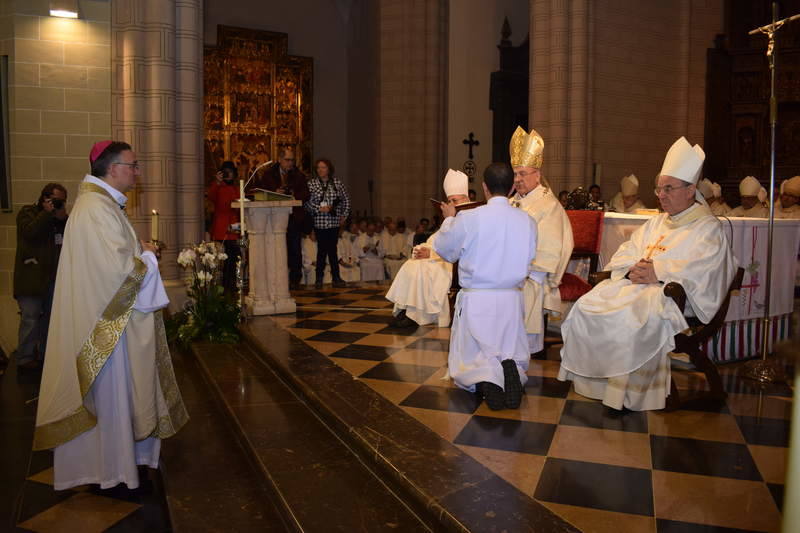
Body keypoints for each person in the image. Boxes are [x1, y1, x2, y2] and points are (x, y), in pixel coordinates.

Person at [33, 141, 188, 490]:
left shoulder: (100, 205)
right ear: (112, 167)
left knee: (119, 399)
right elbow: (117, 273)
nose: (138, 172)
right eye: (133, 165)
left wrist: (140, 252)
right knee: (111, 398)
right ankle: (110, 469)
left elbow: (112, 259)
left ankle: (124, 463)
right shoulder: (95, 209)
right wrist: (146, 257)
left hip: (110, 323)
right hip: (105, 333)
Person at [558, 137, 737, 411]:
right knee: (587, 306)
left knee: (631, 318)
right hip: (638, 286)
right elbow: (627, 251)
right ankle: (596, 384)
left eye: (669, 188)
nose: (661, 195)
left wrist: (659, 271)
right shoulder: (656, 222)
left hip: (674, 297)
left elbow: (706, 270)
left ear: (690, 190)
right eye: (659, 188)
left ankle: (628, 394)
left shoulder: (707, 228)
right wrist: (632, 269)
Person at [434, 163, 537, 410]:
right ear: (512, 186)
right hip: (511, 298)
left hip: (477, 298)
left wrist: (449, 220)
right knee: (508, 348)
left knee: (474, 358)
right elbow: (530, 257)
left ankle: (485, 381)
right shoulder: (528, 221)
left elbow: (446, 251)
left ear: (484, 188)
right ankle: (509, 369)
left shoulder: (469, 218)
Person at [509, 126, 574, 354]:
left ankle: (520, 351)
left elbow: (551, 247)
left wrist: (526, 270)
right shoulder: (510, 203)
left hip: (534, 274)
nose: (517, 179)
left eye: (522, 174)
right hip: (507, 270)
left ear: (537, 174)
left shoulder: (549, 206)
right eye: (515, 174)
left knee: (521, 288)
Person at [385, 170, 470, 328]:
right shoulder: (453, 217)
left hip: (454, 264)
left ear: (466, 199)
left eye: (455, 200)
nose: (451, 204)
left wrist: (430, 253)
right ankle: (406, 310)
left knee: (423, 269)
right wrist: (422, 249)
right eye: (449, 200)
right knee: (412, 264)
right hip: (440, 259)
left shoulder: (471, 215)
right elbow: (437, 239)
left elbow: (458, 248)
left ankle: (415, 316)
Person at [13, 183, 69, 370]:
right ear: (44, 198)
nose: (59, 204)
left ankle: (47, 356)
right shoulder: (27, 212)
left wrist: (63, 220)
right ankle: (25, 358)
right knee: (30, 318)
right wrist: (46, 213)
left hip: (52, 279)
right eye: (56, 201)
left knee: (50, 321)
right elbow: (30, 233)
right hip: (30, 278)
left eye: (62, 201)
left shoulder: (57, 219)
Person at [251, 147, 309, 289]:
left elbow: (306, 194)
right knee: (276, 249)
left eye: (292, 160)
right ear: (280, 159)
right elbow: (259, 191)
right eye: (287, 160)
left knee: (295, 249)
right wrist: (274, 192)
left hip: (293, 217)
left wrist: (294, 195)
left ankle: (295, 279)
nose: (290, 163)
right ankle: (276, 278)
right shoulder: (268, 174)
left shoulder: (298, 175)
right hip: (273, 218)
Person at [304, 158, 350, 288]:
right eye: (318, 168)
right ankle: (319, 278)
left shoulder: (337, 183)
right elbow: (306, 203)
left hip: (334, 222)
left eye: (323, 167)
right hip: (320, 223)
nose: (320, 170)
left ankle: (336, 277)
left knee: (333, 250)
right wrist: (319, 208)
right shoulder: (312, 184)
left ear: (329, 169)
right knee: (322, 251)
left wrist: (344, 216)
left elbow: (345, 200)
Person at [206, 161, 241, 292]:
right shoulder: (218, 187)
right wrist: (217, 182)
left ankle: (232, 285)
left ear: (234, 174)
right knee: (224, 261)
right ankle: (224, 287)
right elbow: (211, 196)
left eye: (230, 172)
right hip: (221, 230)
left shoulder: (237, 188)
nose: (228, 174)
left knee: (234, 259)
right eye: (225, 171)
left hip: (234, 229)